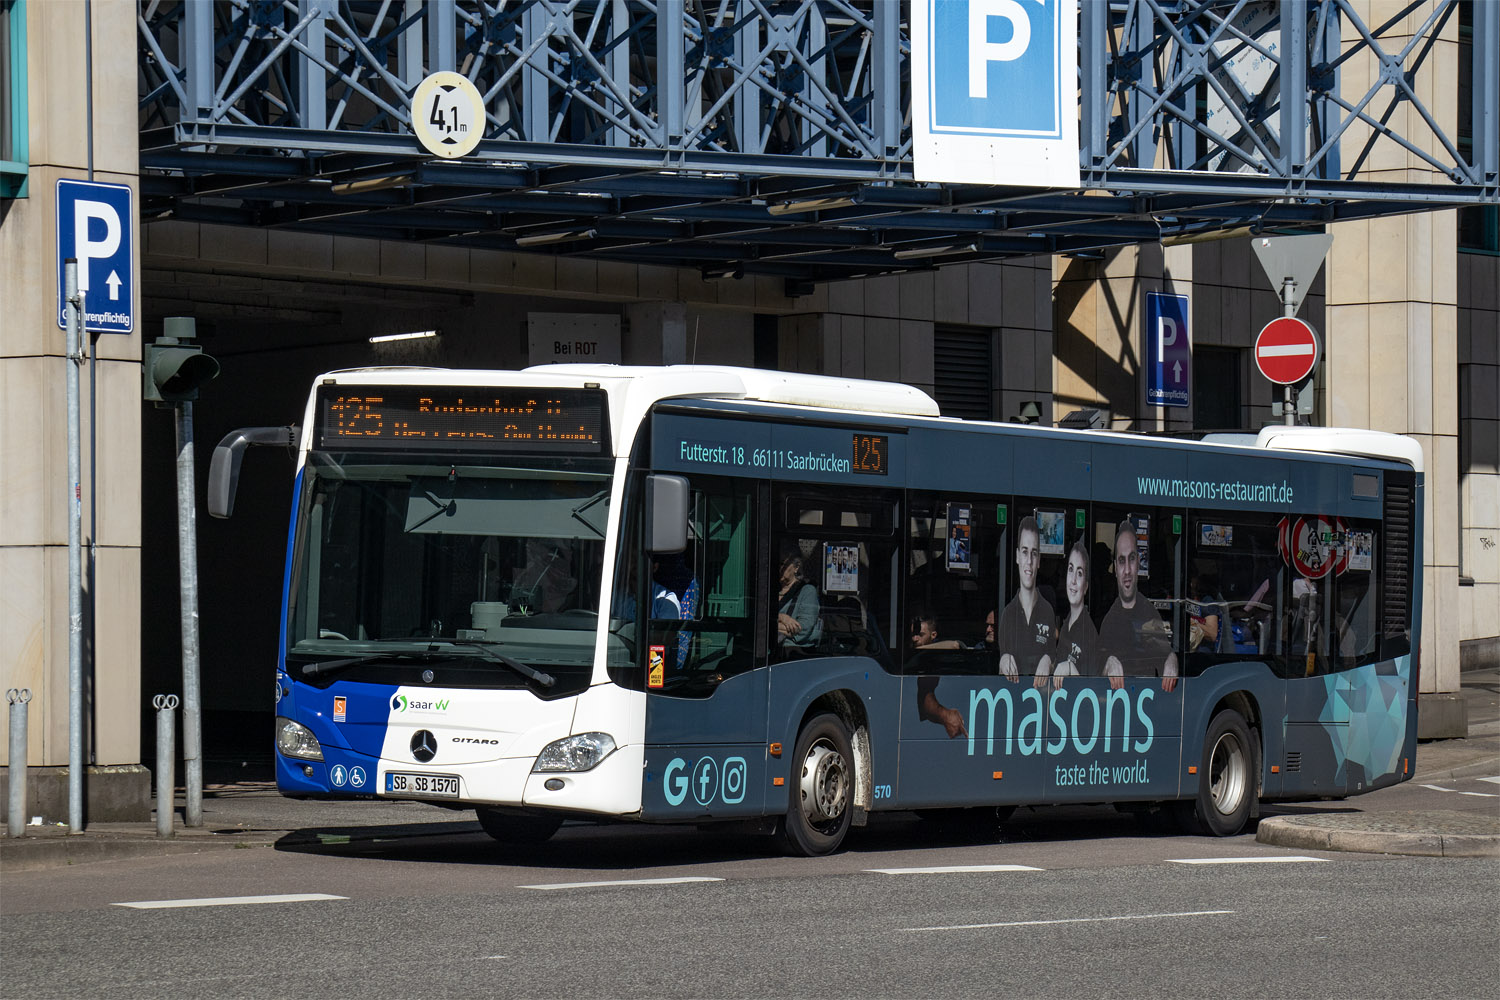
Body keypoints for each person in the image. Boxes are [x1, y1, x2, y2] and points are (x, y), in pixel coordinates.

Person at [1099, 519, 1178, 692]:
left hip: (1148, 700)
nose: (1127, 570)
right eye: (1121, 560)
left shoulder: (1150, 611)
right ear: (1115, 568)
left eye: (1132, 559)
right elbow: (1092, 667)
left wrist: (1171, 658)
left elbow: (1164, 652)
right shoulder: (1106, 618)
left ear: (1139, 563)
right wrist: (1107, 664)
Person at [997, 516, 1055, 686]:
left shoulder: (1047, 611)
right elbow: (1002, 670)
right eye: (1024, 552)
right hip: (1015, 699)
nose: (1028, 561)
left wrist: (1049, 660)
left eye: (1034, 553)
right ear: (1017, 557)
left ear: (1039, 560)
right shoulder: (1008, 613)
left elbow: (1056, 656)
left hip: (1043, 702)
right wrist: (1003, 659)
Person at [1051, 538, 1097, 688]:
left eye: (1080, 573)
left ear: (1086, 587)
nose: (1073, 581)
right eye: (1071, 570)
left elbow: (1092, 690)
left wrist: (1072, 669)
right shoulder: (1066, 624)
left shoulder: (1088, 632)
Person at [776, 548, 820, 650]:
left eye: (783, 564)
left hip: (793, 653)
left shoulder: (807, 590)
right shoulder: (770, 590)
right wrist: (782, 617)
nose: (779, 568)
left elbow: (801, 629)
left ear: (796, 567)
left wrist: (769, 625)